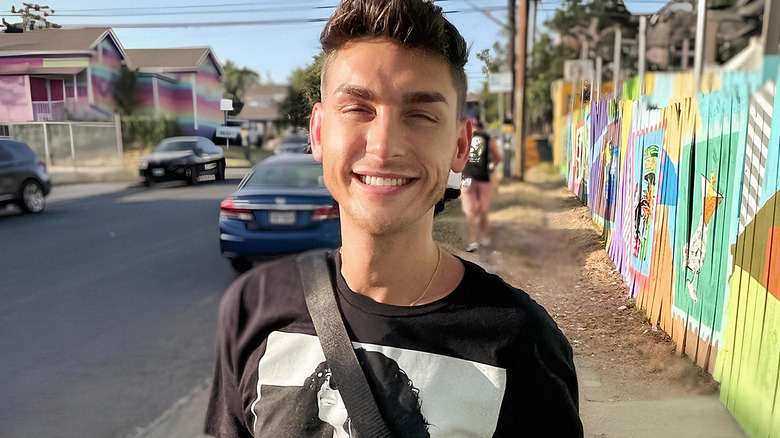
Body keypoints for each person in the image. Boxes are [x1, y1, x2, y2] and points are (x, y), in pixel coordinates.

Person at [205, 0, 582, 437]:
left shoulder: (521, 343)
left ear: (461, 145)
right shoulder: (252, 308)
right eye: (358, 109)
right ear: (319, 132)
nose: (384, 147)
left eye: (420, 115)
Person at [461, 119, 503, 252]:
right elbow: (498, 157)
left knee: (470, 211)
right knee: (484, 208)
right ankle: (483, 237)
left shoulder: (462, 138)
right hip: (484, 176)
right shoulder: (487, 138)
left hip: (467, 177)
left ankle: (473, 241)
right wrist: (491, 166)